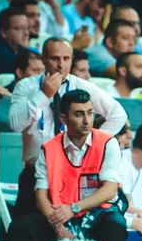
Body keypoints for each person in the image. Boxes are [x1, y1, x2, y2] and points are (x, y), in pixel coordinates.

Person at [1, 90, 129, 241]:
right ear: (63, 119)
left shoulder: (107, 143)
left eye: (90, 113)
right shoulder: (48, 148)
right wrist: (58, 227)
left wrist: (75, 208)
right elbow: (41, 193)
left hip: (94, 215)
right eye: (79, 114)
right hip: (59, 217)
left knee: (116, 224)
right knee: (20, 228)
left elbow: (109, 189)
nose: (87, 120)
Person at [9, 37, 127, 219]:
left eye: (66, 59)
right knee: (23, 231)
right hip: (35, 174)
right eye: (55, 58)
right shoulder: (26, 86)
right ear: (44, 59)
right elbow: (16, 125)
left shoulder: (82, 86)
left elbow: (118, 114)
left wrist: (95, 142)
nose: (61, 65)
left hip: (73, 173)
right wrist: (43, 95)